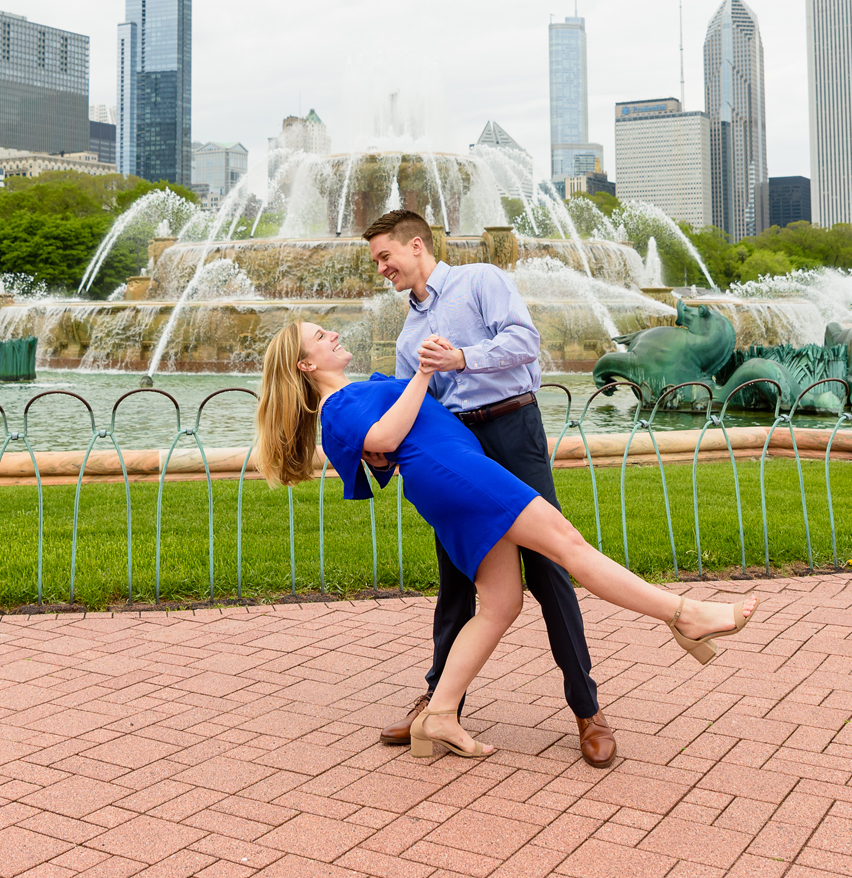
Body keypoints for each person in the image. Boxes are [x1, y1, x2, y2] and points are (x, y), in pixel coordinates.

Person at [255, 318, 757, 762]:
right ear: (304, 364)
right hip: (456, 474)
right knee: (569, 546)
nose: (334, 335)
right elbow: (384, 440)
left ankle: (441, 713)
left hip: (450, 476)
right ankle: (684, 615)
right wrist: (425, 374)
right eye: (321, 337)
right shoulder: (337, 404)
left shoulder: (349, 396)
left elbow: (386, 441)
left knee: (500, 603)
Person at [360, 210, 612, 764]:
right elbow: (413, 409)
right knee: (455, 578)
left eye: (386, 256)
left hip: (512, 427)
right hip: (458, 449)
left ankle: (587, 710)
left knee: (549, 571)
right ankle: (438, 706)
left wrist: (463, 357)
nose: (381, 268)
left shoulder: (481, 280)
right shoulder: (407, 335)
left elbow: (526, 341)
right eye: (376, 260)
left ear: (417, 245)